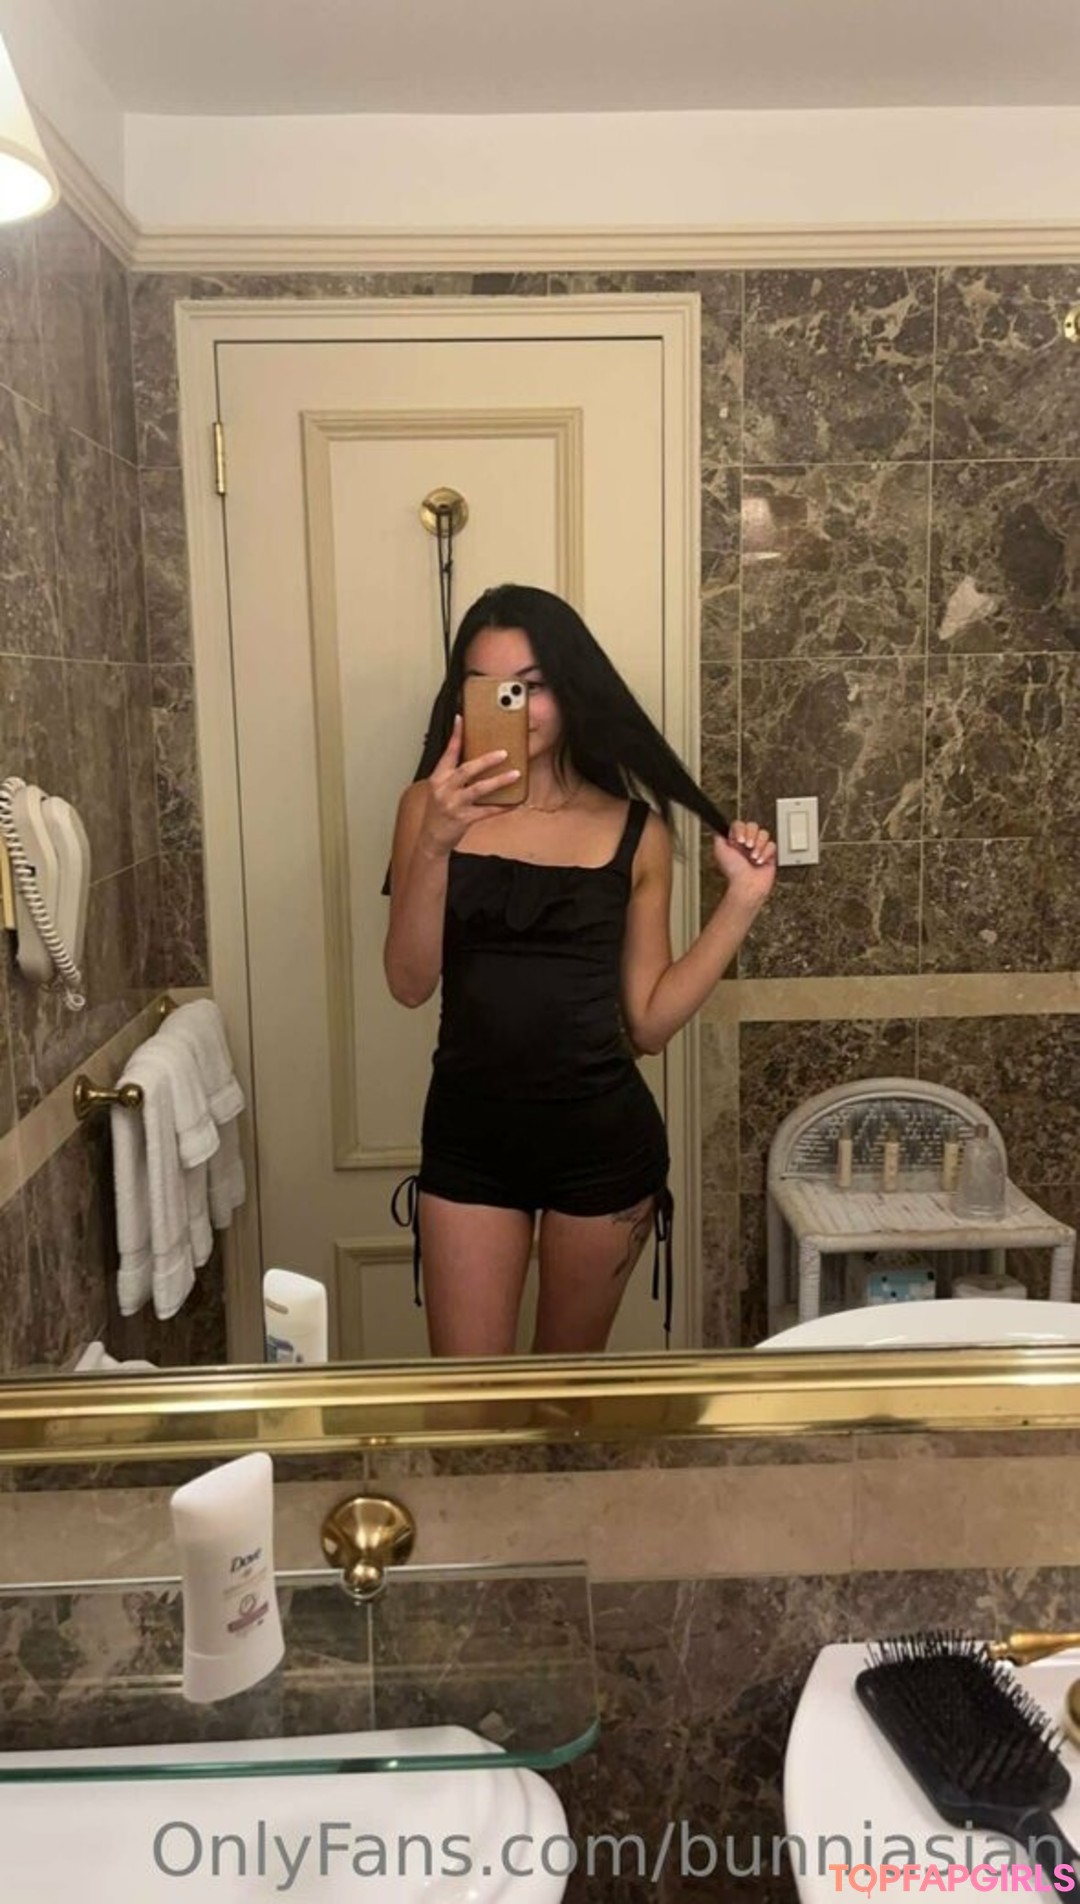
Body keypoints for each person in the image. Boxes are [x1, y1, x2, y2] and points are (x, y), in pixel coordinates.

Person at [384, 584, 776, 1358]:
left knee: (565, 1404)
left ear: (571, 689)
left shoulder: (635, 831)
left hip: (603, 1146)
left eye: (532, 686)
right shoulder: (424, 808)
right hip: (469, 1139)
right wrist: (435, 840)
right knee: (469, 1404)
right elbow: (408, 982)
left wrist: (742, 901)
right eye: (489, 686)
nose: (515, 706)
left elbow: (649, 1025)